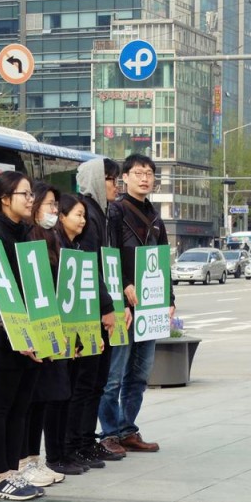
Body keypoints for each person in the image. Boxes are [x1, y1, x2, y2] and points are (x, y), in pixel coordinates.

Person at [98, 153, 174, 454]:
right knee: (114, 374)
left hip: (152, 306)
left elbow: (163, 260)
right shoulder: (115, 212)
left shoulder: (156, 217)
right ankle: (109, 432)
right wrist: (125, 285)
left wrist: (170, 300)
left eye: (150, 173)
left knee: (140, 374)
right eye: (138, 172)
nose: (145, 178)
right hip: (123, 305)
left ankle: (127, 428)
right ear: (124, 177)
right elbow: (109, 255)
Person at [0, 170, 45, 501]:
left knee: (22, 405)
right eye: (25, 194)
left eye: (31, 194)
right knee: (3, 405)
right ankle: (0, 476)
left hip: (32, 335)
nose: (30, 200)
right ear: (5, 199)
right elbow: (1, 294)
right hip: (7, 336)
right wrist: (18, 336)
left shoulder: (27, 235)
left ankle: (15, 471)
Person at [69, 158, 122, 468]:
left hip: (102, 308)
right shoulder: (88, 213)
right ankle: (77, 443)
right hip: (89, 312)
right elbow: (90, 267)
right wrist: (106, 308)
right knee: (86, 383)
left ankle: (87, 441)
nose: (116, 185)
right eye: (111, 179)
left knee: (97, 381)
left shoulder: (103, 213)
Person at [20, 182, 69, 487]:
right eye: (49, 204)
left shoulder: (54, 238)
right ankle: (24, 461)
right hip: (33, 328)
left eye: (56, 205)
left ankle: (35, 459)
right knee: (32, 398)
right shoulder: (29, 238)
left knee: (46, 397)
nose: (54, 210)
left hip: (51, 326)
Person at [50, 194, 93, 475]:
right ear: (62, 216)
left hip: (74, 331)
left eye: (84, 215)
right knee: (59, 394)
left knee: (73, 391)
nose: (83, 220)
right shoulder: (54, 246)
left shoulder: (74, 246)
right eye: (78, 214)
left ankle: (69, 449)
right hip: (56, 332)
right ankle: (58, 452)